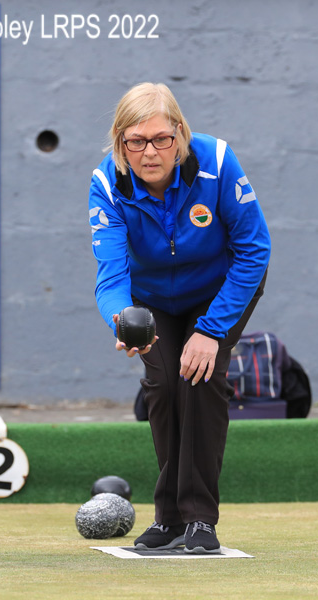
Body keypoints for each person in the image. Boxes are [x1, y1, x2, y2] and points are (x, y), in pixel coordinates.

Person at [88, 83, 270, 552]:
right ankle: (168, 520)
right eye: (136, 141)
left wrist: (211, 331)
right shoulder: (107, 182)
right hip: (152, 300)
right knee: (164, 386)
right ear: (119, 142)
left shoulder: (219, 162)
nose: (150, 152)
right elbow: (111, 275)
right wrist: (123, 320)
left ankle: (200, 522)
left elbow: (255, 251)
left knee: (200, 378)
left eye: (161, 139)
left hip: (220, 290)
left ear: (180, 135)